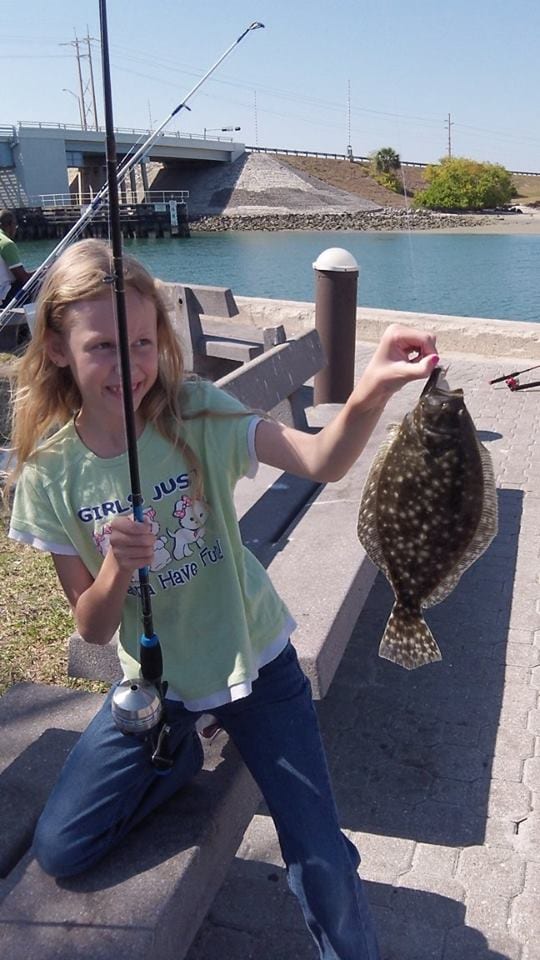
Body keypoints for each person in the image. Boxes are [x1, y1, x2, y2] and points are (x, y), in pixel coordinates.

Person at [7, 238, 439, 960]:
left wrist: (371, 389)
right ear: (56, 347)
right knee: (61, 846)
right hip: (156, 687)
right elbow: (91, 621)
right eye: (104, 345)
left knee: (320, 852)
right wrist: (117, 568)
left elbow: (321, 460)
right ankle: (177, 757)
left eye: (142, 342)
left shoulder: (197, 414)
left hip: (258, 668)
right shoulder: (49, 477)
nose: (130, 364)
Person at [0, 209, 33, 307]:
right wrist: (41, 272)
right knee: (41, 283)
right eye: (15, 226)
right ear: (10, 225)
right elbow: (23, 278)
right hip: (4, 297)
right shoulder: (6, 244)